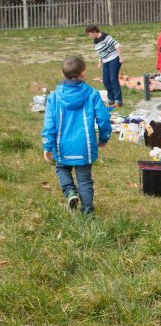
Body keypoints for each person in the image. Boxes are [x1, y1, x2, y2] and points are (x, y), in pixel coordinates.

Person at [41, 56, 112, 215]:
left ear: (62, 73)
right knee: (85, 181)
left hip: (62, 146)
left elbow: (49, 124)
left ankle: (70, 192)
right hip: (84, 147)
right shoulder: (92, 94)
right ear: (84, 73)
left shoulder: (54, 97)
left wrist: (47, 145)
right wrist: (104, 138)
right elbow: (104, 118)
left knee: (61, 169)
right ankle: (87, 212)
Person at [85, 24, 123, 109]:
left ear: (94, 32)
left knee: (113, 79)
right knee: (106, 80)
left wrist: (120, 57)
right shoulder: (95, 41)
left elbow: (117, 45)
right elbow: (100, 52)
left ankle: (118, 100)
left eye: (89, 34)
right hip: (106, 61)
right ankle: (111, 98)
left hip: (114, 59)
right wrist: (100, 62)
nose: (89, 36)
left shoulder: (105, 37)